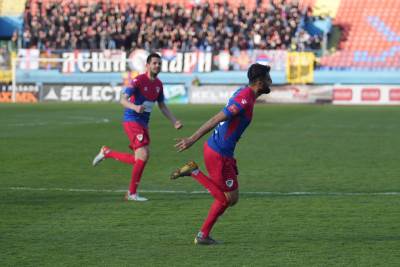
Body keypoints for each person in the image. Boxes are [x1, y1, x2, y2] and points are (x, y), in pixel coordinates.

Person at [171, 63, 272, 245]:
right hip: (218, 154)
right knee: (225, 199)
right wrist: (192, 139)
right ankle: (194, 174)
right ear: (258, 82)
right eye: (267, 79)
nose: (270, 82)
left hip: (221, 151)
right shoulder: (244, 99)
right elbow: (216, 118)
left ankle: (203, 235)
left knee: (232, 198)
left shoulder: (246, 94)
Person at [93, 53, 183, 201]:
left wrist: (174, 121)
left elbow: (162, 105)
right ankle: (131, 193)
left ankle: (107, 153)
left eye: (159, 63)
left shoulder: (159, 85)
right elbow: (122, 100)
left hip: (143, 123)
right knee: (143, 155)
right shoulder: (138, 81)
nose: (157, 66)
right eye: (154, 63)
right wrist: (134, 107)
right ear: (147, 65)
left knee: (140, 158)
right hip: (132, 120)